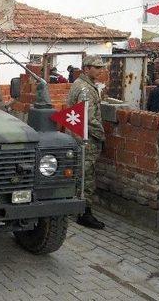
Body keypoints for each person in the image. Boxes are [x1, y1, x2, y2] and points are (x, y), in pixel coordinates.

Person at [66, 54, 107, 230]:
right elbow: (88, 117)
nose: (100, 71)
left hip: (78, 136)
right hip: (86, 138)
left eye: (101, 67)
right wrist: (101, 135)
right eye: (96, 68)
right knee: (86, 175)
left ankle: (76, 207)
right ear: (87, 68)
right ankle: (85, 212)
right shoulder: (86, 89)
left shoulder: (81, 84)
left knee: (80, 173)